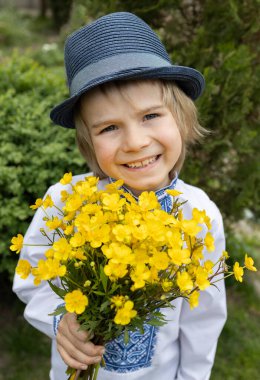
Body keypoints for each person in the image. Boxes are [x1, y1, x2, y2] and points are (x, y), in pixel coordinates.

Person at [13, 12, 227, 380]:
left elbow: (202, 325)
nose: (135, 142)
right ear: (88, 144)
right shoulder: (66, 200)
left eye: (150, 116)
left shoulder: (199, 215)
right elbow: (31, 279)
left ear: (181, 119)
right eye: (109, 127)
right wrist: (60, 322)